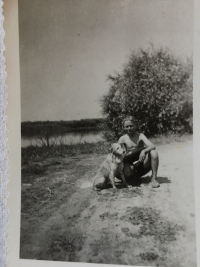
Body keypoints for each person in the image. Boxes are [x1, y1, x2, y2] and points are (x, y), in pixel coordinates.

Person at [118, 116, 160, 188]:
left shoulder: (140, 136)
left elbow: (153, 146)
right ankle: (129, 179)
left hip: (141, 165)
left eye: (131, 126)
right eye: (127, 126)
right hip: (130, 166)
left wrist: (143, 151)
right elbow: (117, 154)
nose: (129, 128)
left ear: (136, 125)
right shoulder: (122, 138)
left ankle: (154, 178)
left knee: (154, 152)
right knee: (126, 170)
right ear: (123, 127)